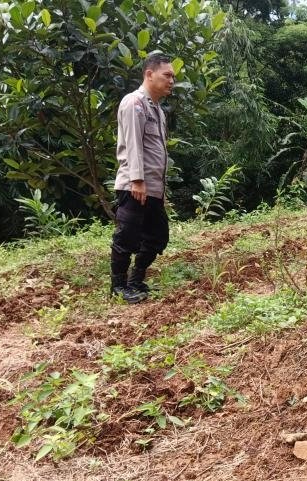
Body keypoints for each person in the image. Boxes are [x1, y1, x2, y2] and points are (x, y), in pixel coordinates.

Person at [110, 53, 175, 303]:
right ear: (149, 74)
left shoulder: (157, 109)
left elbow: (158, 151)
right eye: (167, 75)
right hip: (134, 186)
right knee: (126, 236)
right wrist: (137, 180)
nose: (172, 81)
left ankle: (136, 280)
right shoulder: (134, 103)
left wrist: (160, 189)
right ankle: (118, 286)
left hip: (153, 188)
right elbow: (133, 144)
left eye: (173, 76)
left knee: (158, 236)